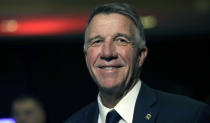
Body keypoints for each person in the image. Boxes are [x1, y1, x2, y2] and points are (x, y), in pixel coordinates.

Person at [64, 2, 207, 123]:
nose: (107, 53)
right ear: (86, 57)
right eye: (97, 41)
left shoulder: (189, 115)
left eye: (121, 40)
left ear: (141, 55)